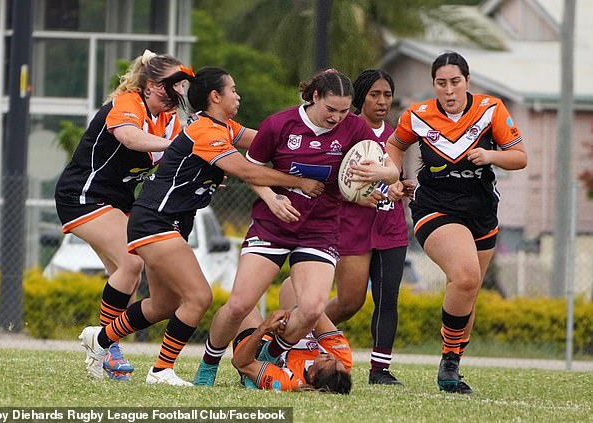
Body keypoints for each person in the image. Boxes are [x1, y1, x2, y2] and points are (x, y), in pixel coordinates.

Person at [78, 66, 325, 386]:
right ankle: (161, 370)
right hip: (155, 219)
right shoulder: (205, 131)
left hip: (170, 221)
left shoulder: (225, 127)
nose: (238, 95)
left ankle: (99, 340)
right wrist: (297, 181)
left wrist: (318, 131)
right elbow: (246, 170)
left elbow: (269, 143)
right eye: (233, 89)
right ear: (215, 96)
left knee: (164, 304)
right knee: (198, 298)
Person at [194, 69, 399, 386]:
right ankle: (208, 366)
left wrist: (378, 174)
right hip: (272, 225)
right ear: (315, 96)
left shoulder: (355, 128)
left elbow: (391, 171)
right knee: (238, 305)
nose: (337, 118)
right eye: (331, 109)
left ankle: (267, 358)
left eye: (344, 111)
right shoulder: (279, 124)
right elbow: (252, 172)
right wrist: (272, 198)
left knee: (313, 307)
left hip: (319, 229)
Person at [385, 51, 527, 394]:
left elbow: (519, 157)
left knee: (468, 289)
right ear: (433, 84)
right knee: (465, 277)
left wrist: (491, 155)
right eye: (441, 83)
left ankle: (453, 362)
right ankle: (447, 364)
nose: (448, 90)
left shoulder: (490, 109)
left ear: (467, 81)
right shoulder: (418, 115)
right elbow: (394, 144)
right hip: (435, 207)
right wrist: (392, 177)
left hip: (481, 212)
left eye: (455, 82)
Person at [54, 50, 192, 380]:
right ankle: (106, 345)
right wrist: (173, 145)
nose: (177, 93)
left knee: (124, 270)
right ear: (150, 85)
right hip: (84, 195)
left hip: (118, 200)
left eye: (181, 86)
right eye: (170, 85)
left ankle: (101, 357)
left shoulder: (169, 118)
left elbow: (188, 147)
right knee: (132, 262)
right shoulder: (129, 102)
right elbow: (130, 137)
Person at [323, 69, 412, 385]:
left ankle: (380, 370)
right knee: (350, 301)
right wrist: (358, 198)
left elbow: (393, 181)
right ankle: (298, 330)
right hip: (353, 226)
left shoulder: (395, 136)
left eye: (387, 95)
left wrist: (402, 188)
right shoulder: (345, 130)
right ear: (360, 97)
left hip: (390, 226)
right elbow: (335, 180)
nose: (382, 101)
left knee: (388, 298)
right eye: (375, 94)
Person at [231, 278, 352, 394]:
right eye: (335, 359)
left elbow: (240, 363)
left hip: (258, 354)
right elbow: (316, 313)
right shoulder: (341, 362)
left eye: (327, 359)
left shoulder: (288, 382)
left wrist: (263, 328)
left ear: (312, 376)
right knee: (293, 284)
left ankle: (213, 366)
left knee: (239, 306)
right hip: (290, 331)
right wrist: (290, 315)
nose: (331, 355)